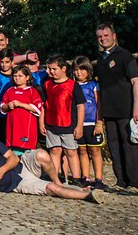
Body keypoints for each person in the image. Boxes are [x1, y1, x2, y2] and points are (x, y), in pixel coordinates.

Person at [0, 123, 104, 203]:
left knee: (42, 154)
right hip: (15, 182)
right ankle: (87, 196)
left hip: (20, 166)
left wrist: (1, 170)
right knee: (50, 188)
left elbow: (13, 157)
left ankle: (60, 183)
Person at [93, 23, 138, 195]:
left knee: (130, 146)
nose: (103, 39)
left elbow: (135, 82)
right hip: (109, 111)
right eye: (100, 36)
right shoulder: (101, 60)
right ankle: (121, 181)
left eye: (106, 35)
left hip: (126, 109)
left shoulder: (125, 56)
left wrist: (136, 107)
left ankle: (136, 184)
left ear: (113, 36)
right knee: (115, 147)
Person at [41, 55, 85, 185]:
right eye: (49, 69)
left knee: (71, 151)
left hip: (68, 124)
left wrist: (79, 126)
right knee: (54, 150)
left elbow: (80, 106)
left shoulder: (73, 85)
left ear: (64, 68)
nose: (51, 72)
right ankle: (55, 177)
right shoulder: (47, 84)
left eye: (54, 69)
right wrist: (41, 122)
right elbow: (44, 104)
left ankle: (76, 179)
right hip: (51, 123)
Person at [73, 56, 105, 189]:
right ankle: (85, 177)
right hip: (79, 124)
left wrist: (99, 122)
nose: (79, 72)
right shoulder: (72, 85)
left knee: (95, 151)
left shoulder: (93, 85)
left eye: (82, 69)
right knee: (82, 151)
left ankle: (98, 179)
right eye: (76, 70)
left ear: (88, 70)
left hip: (92, 123)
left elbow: (99, 104)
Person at [0, 65, 44, 153]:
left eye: (20, 76)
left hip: (27, 128)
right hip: (12, 127)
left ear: (27, 77)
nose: (17, 78)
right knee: (14, 152)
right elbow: (2, 107)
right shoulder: (10, 91)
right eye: (15, 76)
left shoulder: (32, 91)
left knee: (27, 153)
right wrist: (8, 106)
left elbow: (38, 109)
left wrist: (21, 104)